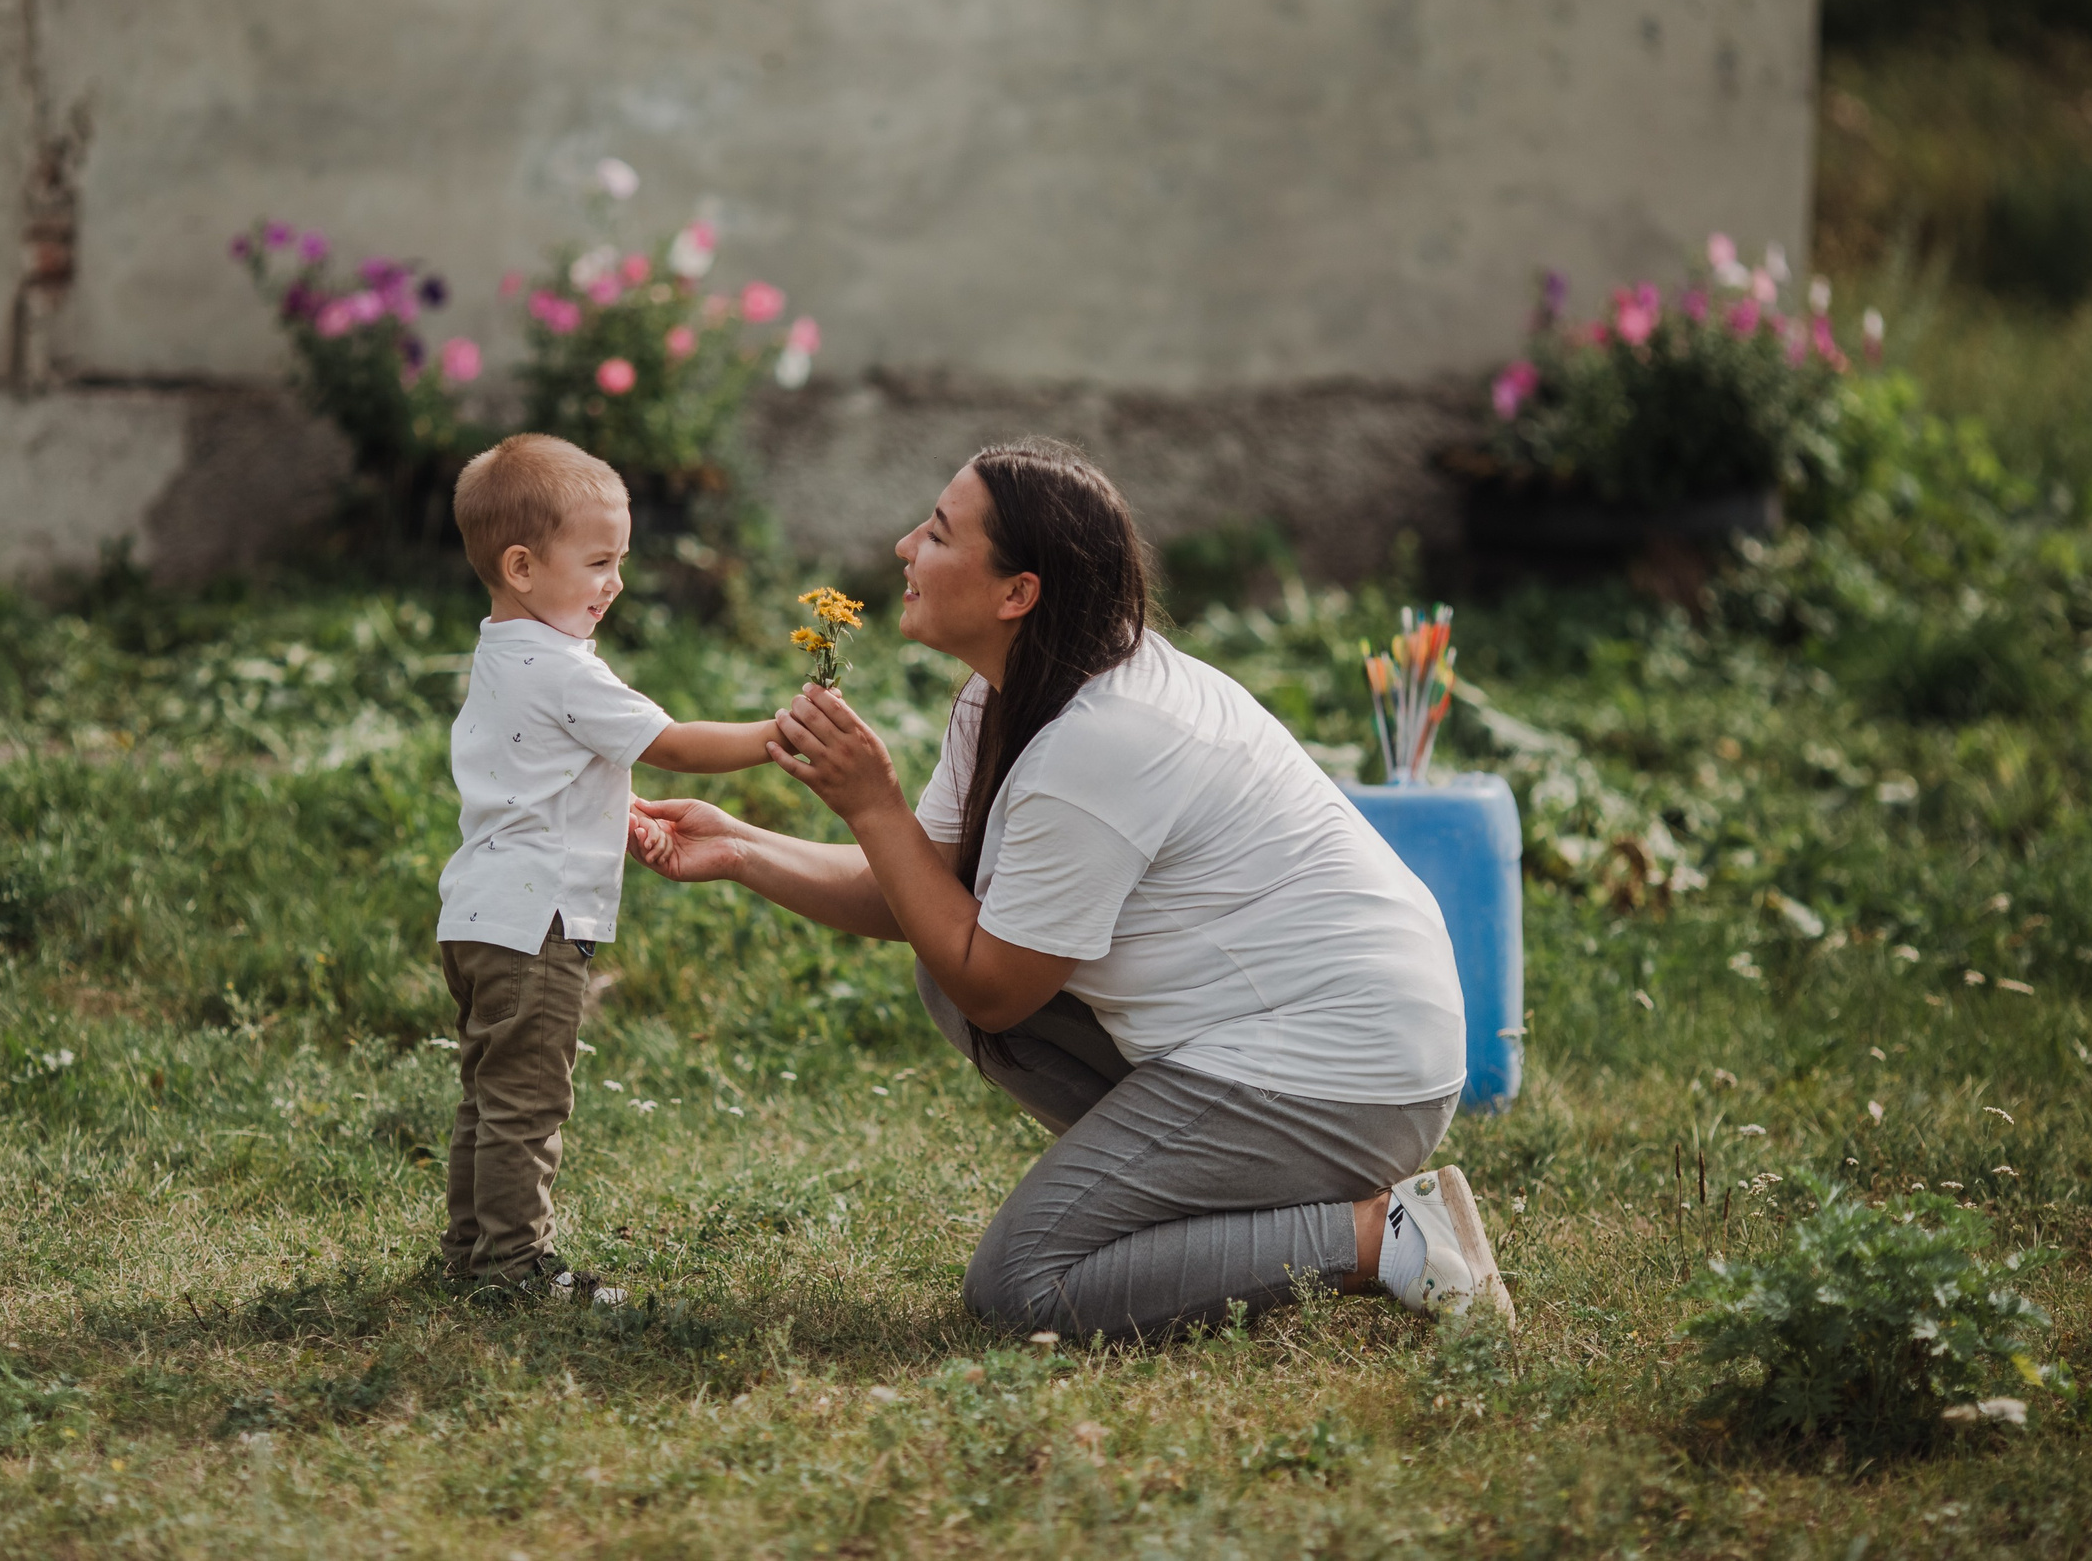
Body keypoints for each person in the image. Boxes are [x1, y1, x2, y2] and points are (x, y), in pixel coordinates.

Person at [630, 439, 1512, 1339]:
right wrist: (740, 846)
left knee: (1024, 1284)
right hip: (1280, 1041)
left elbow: (996, 983)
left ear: (1019, 594)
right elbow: (923, 897)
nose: (903, 547)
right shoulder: (1008, 694)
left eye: (936, 534)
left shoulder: (1103, 741)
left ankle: (1382, 1233)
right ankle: (1240, 1206)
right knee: (945, 966)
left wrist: (874, 804)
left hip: (1349, 1074)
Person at [435, 434, 784, 1292]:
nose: (615, 583)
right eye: (598, 561)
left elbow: (534, 770)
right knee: (528, 1105)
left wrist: (609, 802)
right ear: (522, 565)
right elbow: (672, 743)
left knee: (488, 1097)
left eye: (619, 560)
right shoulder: (565, 670)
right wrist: (779, 736)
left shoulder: (500, 653)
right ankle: (513, 1266)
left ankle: (469, 1255)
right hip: (539, 923)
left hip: (478, 915)